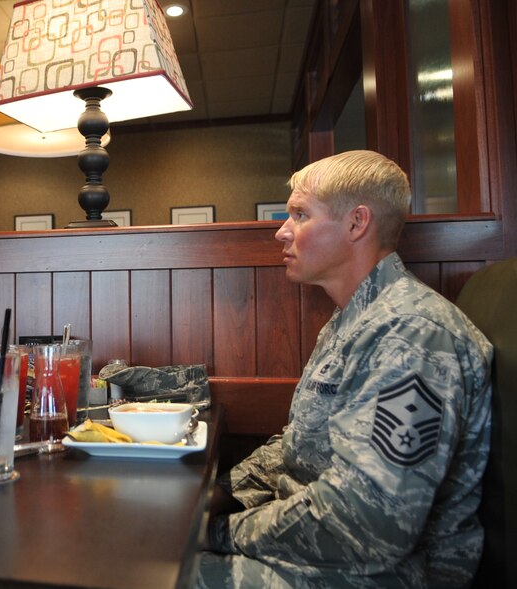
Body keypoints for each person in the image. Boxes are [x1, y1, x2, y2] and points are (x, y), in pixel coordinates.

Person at [199, 151, 492, 588]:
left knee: (149, 575)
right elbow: (298, 445)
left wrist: (215, 533)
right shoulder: (358, 317)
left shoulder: (410, 334)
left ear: (357, 223)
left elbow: (370, 524)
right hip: (331, 549)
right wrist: (216, 495)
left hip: (386, 573)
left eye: (300, 214)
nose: (281, 231)